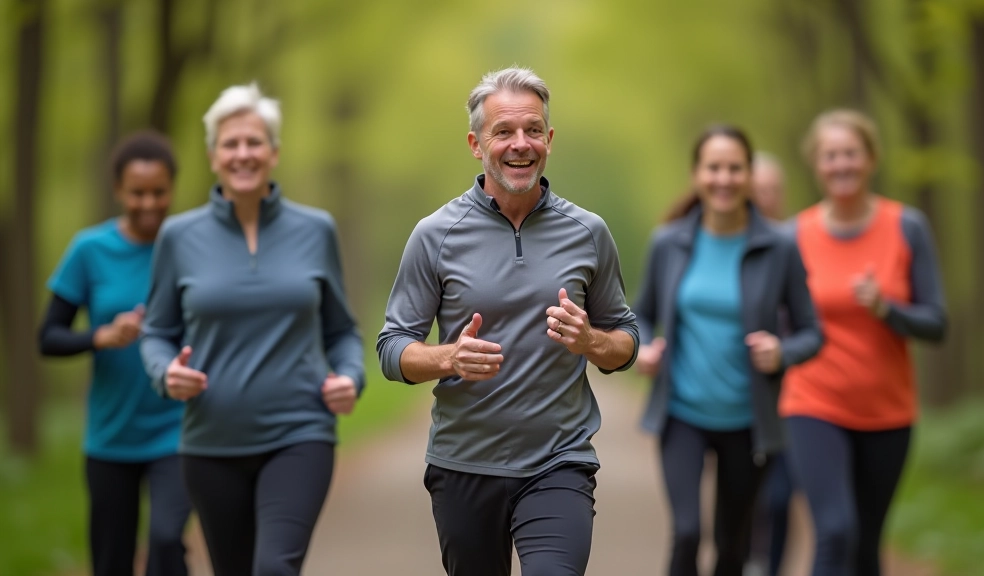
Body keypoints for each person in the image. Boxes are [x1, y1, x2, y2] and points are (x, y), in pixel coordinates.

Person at [376, 67, 639, 576]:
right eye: (504, 132)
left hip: (559, 461)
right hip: (463, 465)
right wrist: (447, 357)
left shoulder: (587, 233)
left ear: (549, 139)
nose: (521, 144)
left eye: (533, 130)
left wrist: (589, 340)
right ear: (476, 144)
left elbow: (626, 340)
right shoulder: (435, 235)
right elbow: (392, 348)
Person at [140, 83, 364, 576]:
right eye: (231, 143)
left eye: (254, 142)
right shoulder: (179, 237)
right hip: (211, 443)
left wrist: (350, 376)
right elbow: (156, 332)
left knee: (274, 568)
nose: (243, 153)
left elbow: (342, 332)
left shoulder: (316, 229)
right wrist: (165, 373)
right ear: (213, 156)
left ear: (274, 152)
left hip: (299, 433)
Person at [632, 126, 823, 576]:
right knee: (686, 533)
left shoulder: (778, 246)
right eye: (713, 168)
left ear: (749, 174)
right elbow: (639, 314)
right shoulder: (669, 242)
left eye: (735, 168)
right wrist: (642, 349)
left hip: (747, 420)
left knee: (732, 546)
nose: (724, 178)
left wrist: (782, 351)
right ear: (697, 174)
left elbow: (811, 332)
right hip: (681, 414)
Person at [780, 109, 947, 576]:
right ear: (817, 164)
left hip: (887, 410)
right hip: (814, 402)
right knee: (835, 530)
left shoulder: (906, 227)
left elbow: (937, 323)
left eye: (851, 154)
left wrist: (887, 309)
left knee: (867, 545)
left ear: (871, 159)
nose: (841, 165)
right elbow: (776, 318)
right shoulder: (793, 235)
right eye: (830, 156)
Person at [38, 131, 191, 576]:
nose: (148, 203)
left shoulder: (188, 244)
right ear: (118, 191)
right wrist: (100, 336)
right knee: (111, 561)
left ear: (172, 190)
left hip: (177, 429)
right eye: (137, 193)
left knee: (166, 540)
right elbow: (47, 337)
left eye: (159, 192)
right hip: (111, 435)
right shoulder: (90, 250)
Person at [747, 151, 797, 576]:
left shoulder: (791, 246)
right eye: (756, 190)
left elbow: (813, 323)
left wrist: (787, 352)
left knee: (780, 497)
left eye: (771, 191)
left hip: (796, 396)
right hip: (741, 398)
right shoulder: (726, 244)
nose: (763, 198)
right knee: (745, 497)